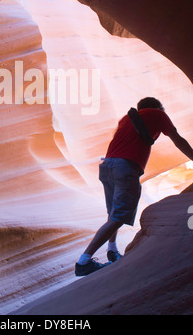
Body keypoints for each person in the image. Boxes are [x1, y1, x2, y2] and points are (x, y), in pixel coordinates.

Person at [75, 97, 193, 277]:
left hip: (107, 165)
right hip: (125, 167)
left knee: (113, 213)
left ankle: (112, 250)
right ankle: (84, 261)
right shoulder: (158, 114)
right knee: (119, 216)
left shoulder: (127, 118)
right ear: (158, 107)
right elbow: (177, 139)